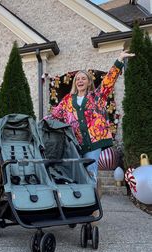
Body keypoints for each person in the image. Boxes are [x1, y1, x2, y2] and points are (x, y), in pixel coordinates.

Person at [47, 50, 135, 186]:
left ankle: (92, 205)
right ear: (75, 83)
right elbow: (54, 115)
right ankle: (80, 203)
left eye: (83, 78)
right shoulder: (67, 100)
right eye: (77, 79)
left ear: (89, 82)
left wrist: (119, 60)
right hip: (75, 144)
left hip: (94, 143)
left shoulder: (96, 96)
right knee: (75, 175)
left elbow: (108, 82)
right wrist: (39, 123)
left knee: (90, 173)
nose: (80, 81)